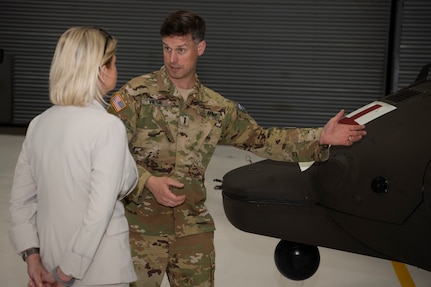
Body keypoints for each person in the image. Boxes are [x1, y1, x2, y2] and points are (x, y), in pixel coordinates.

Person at [107, 10, 367, 287]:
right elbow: (108, 153)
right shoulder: (136, 94)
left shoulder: (217, 108)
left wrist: (320, 137)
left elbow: (263, 139)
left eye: (181, 49)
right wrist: (148, 181)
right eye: (167, 49)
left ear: (200, 47)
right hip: (139, 229)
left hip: (192, 231)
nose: (172, 59)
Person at [9, 27, 138, 287]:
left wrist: (32, 258)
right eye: (114, 62)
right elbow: (99, 211)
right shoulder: (107, 127)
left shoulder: (38, 124)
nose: (117, 68)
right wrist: (65, 272)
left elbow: (20, 202)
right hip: (100, 271)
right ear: (102, 70)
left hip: (47, 262)